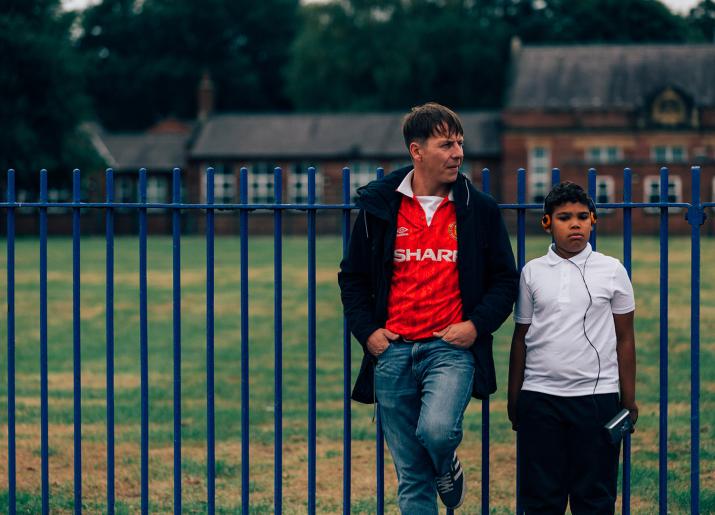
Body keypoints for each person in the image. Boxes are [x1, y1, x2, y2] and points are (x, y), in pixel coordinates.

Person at [338, 102, 518, 513]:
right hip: (392, 350)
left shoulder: (479, 209)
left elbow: (505, 280)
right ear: (416, 151)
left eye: (460, 143)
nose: (457, 153)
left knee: (437, 431)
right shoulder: (379, 208)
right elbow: (353, 278)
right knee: (412, 478)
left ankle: (446, 461)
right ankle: (435, 472)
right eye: (445, 144)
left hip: (450, 349)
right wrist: (369, 334)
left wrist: (475, 326)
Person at [508, 181, 638, 514]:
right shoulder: (532, 272)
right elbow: (520, 336)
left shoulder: (612, 271)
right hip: (540, 397)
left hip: (596, 399)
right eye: (564, 217)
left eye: (582, 216)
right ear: (547, 223)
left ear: (594, 220)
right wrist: (515, 396)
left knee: (594, 497)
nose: (575, 224)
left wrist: (628, 398)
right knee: (540, 497)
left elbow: (625, 337)